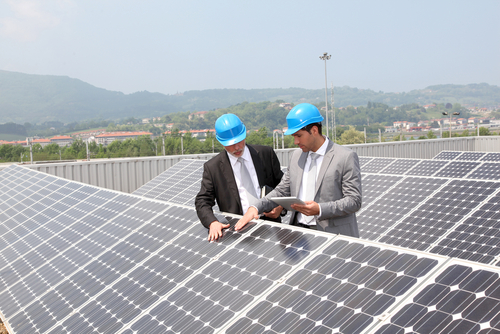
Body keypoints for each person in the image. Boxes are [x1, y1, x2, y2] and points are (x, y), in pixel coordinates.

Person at [235, 103, 362, 237]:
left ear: (314, 130)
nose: (295, 141)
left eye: (299, 135)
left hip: (333, 235)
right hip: (300, 234)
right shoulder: (296, 156)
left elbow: (354, 201)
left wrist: (319, 209)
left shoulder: (345, 156)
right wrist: (255, 207)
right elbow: (282, 191)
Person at [195, 113, 285, 241]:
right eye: (231, 144)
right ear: (221, 142)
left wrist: (280, 207)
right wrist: (212, 222)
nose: (237, 147)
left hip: (271, 227)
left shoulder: (266, 154)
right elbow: (202, 200)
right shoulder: (213, 168)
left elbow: (283, 187)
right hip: (238, 232)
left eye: (239, 141)